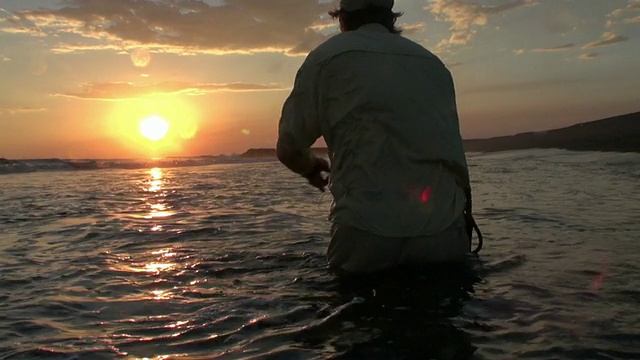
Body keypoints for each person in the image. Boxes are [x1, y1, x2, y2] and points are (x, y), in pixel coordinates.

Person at [276, 0, 481, 275]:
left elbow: (289, 146)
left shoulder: (326, 58)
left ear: (342, 18)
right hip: (445, 232)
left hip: (365, 236)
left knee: (360, 314)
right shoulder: (432, 63)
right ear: (391, 16)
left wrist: (311, 168)